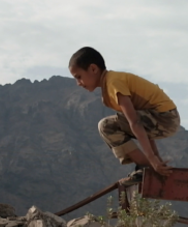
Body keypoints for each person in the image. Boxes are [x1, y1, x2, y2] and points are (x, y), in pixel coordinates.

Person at [68, 47, 179, 184]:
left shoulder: (114, 83)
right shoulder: (109, 90)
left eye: (79, 77)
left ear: (93, 69)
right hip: (163, 119)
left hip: (165, 118)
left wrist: (152, 159)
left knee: (107, 126)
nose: (78, 83)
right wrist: (156, 159)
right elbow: (144, 125)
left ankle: (146, 166)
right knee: (110, 125)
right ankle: (146, 167)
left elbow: (135, 122)